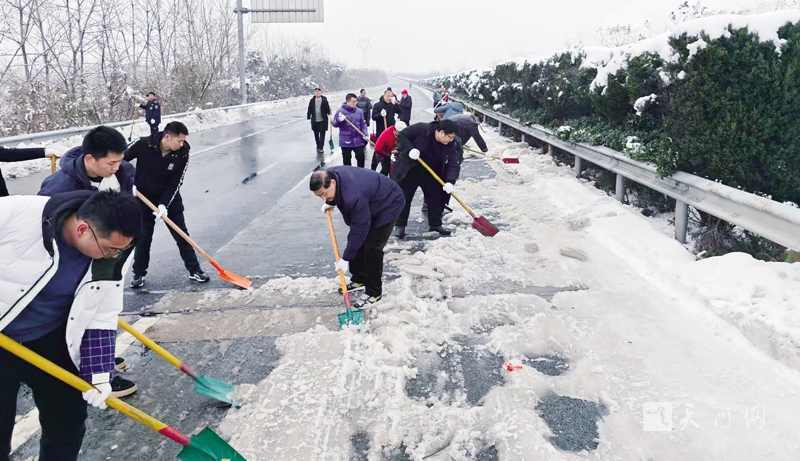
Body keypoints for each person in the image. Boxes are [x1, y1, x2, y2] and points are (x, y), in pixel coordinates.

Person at [0, 189, 141, 461]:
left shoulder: (116, 253)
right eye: (110, 249)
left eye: (121, 250)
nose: (115, 256)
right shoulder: (17, 214)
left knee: (67, 419)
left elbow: (102, 311)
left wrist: (100, 373)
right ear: (82, 229)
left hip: (53, 337)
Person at [38, 126, 139, 398]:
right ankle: (96, 371)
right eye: (111, 163)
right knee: (79, 313)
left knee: (104, 311)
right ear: (90, 159)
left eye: (120, 161)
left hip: (107, 254)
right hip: (74, 265)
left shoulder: (123, 174)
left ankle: (102, 359)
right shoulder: (60, 186)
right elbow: (44, 230)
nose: (117, 168)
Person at [124, 121, 209, 288]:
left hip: (169, 199)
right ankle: (138, 274)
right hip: (143, 198)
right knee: (143, 237)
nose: (182, 144)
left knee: (181, 235)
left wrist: (164, 205)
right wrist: (128, 182)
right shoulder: (143, 144)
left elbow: (176, 181)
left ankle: (194, 270)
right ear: (167, 137)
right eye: (179, 141)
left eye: (183, 141)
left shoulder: (183, 152)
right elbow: (119, 160)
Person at [311, 166, 405, 308]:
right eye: (320, 196)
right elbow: (357, 229)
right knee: (357, 242)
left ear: (332, 183)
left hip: (389, 203)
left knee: (373, 247)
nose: (323, 198)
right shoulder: (331, 177)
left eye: (324, 194)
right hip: (371, 201)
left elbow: (359, 228)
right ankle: (359, 278)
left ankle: (374, 293)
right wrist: (330, 201)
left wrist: (346, 258)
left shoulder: (353, 195)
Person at [391, 120, 460, 239]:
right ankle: (400, 225)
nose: (451, 140)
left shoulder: (451, 144)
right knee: (405, 197)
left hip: (432, 171)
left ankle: (435, 225)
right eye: (450, 137)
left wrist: (450, 181)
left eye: (453, 137)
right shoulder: (421, 129)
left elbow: (454, 163)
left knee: (435, 198)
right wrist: (410, 149)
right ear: (441, 132)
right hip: (412, 168)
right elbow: (403, 135)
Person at [332, 93, 369, 168]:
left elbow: (362, 124)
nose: (355, 103)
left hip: (358, 140)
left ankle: (360, 174)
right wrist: (339, 120)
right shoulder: (340, 112)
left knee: (361, 158)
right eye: (353, 101)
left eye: (356, 101)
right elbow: (334, 124)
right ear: (347, 101)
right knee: (347, 161)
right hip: (346, 140)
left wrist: (365, 134)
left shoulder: (359, 111)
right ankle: (348, 176)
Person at [371, 90, 403, 175]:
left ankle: (385, 172)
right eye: (387, 96)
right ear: (384, 95)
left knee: (387, 156)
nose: (389, 98)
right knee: (378, 151)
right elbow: (373, 117)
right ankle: (373, 169)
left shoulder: (392, 105)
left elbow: (400, 111)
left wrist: (395, 103)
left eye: (391, 96)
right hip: (381, 132)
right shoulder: (377, 105)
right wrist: (380, 115)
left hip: (391, 132)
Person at [307, 87, 332, 154]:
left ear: (321, 93)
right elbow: (309, 109)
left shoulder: (324, 100)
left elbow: (327, 108)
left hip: (323, 120)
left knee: (322, 135)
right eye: (316, 92)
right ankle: (318, 145)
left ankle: (321, 147)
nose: (317, 93)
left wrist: (329, 114)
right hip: (315, 121)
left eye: (318, 91)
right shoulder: (312, 100)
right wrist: (308, 117)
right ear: (314, 93)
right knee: (316, 135)